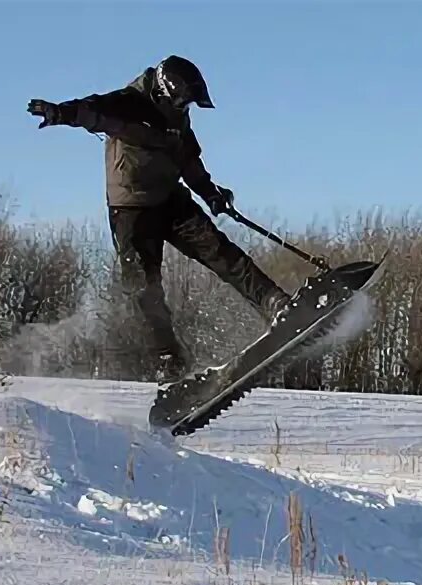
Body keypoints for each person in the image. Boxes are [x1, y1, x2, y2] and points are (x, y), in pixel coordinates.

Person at [27, 55, 289, 380]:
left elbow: (188, 158)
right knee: (143, 289)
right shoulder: (130, 103)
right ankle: (168, 361)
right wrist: (60, 113)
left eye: (188, 103)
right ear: (165, 90)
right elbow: (91, 110)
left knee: (220, 251)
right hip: (131, 209)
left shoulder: (177, 116)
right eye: (182, 100)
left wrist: (210, 194)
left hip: (169, 198)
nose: (185, 107)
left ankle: (275, 303)